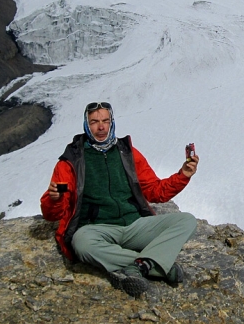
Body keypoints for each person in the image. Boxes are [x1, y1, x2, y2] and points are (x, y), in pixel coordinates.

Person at [40, 101, 199, 297]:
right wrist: (54, 198)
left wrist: (183, 175)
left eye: (105, 121)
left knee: (187, 220)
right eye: (94, 122)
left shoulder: (127, 153)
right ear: (86, 124)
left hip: (135, 225)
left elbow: (155, 191)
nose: (101, 127)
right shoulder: (72, 161)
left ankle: (137, 265)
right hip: (97, 228)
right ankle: (155, 264)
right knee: (82, 244)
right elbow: (54, 207)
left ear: (112, 122)